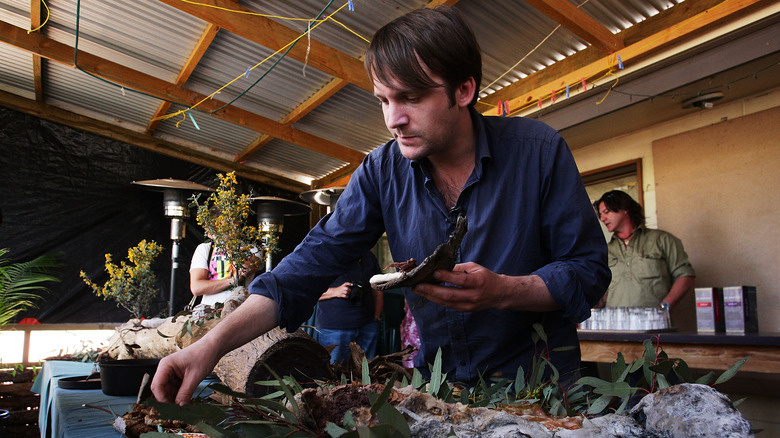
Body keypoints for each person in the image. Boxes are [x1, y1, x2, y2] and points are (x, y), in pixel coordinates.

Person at [153, 6, 609, 405]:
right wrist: (210, 346)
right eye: (384, 100)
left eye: (411, 97)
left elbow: (589, 273)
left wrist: (506, 290)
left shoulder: (539, 151)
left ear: (464, 90)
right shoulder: (380, 171)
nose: (394, 119)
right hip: (442, 389)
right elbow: (305, 268)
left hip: (543, 390)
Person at [593, 190, 695, 309]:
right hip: (615, 324)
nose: (602, 218)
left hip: (653, 324)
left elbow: (685, 276)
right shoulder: (607, 250)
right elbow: (605, 293)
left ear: (624, 209)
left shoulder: (662, 240)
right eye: (600, 215)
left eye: (606, 212)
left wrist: (663, 308)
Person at [315, 251, 383, 364]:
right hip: (335, 328)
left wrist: (376, 316)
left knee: (367, 375)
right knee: (333, 373)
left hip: (367, 325)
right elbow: (307, 291)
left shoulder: (369, 257)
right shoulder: (326, 254)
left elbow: (377, 290)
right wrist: (335, 291)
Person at [189, 234, 261, 308]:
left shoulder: (252, 249)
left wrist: (225, 245)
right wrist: (232, 281)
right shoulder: (205, 248)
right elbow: (197, 288)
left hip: (240, 307)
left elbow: (244, 269)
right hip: (209, 308)